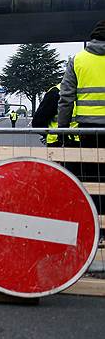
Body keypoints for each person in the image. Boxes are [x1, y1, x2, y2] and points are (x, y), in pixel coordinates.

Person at [58, 19, 105, 214]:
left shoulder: (78, 60)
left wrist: (63, 129)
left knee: (92, 179)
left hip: (88, 131)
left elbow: (66, 98)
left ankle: (96, 226)